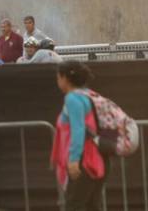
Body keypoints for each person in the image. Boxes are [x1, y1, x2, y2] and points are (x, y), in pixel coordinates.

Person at [52, 61, 107, 211]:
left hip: (85, 160)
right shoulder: (88, 95)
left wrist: (74, 160)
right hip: (98, 157)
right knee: (92, 205)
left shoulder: (73, 99)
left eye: (58, 77)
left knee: (74, 205)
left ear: (65, 79)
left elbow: (78, 130)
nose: (58, 81)